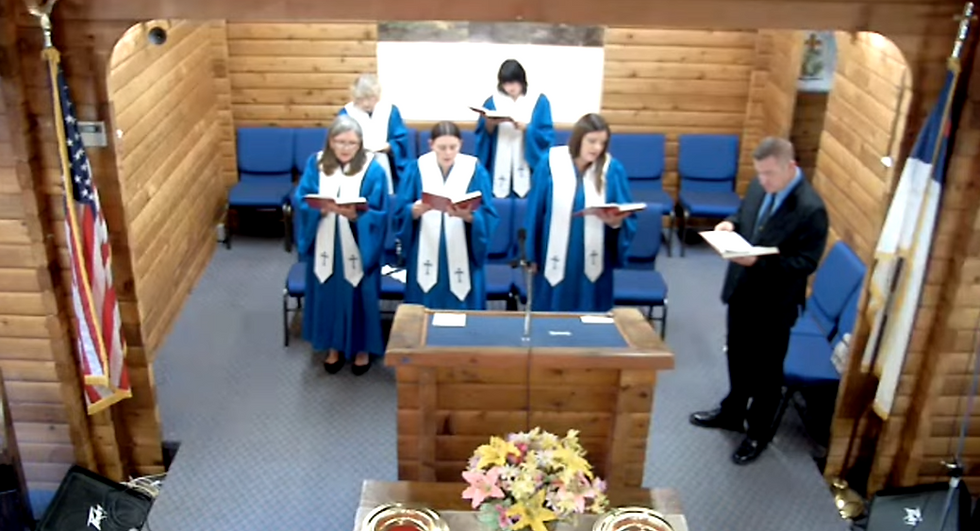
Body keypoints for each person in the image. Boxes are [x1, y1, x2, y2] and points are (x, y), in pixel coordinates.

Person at [689, 137, 829, 465]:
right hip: (742, 290)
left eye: (769, 175)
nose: (763, 181)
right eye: (760, 174)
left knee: (766, 371)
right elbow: (745, 214)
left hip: (774, 303)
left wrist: (760, 263)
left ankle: (758, 431)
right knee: (737, 354)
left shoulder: (811, 209)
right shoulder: (758, 186)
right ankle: (732, 412)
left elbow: (805, 262)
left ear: (790, 167)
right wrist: (732, 224)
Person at [294, 115, 389, 376]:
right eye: (340, 142)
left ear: (360, 144)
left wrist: (358, 216)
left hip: (359, 244)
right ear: (330, 142)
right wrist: (320, 210)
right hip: (326, 242)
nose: (346, 148)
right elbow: (302, 199)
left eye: (352, 143)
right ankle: (333, 348)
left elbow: (381, 212)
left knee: (359, 295)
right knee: (328, 294)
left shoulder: (373, 169)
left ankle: (362, 350)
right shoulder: (316, 164)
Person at [523, 113, 636, 312]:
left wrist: (616, 223)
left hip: (593, 258)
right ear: (578, 139)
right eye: (592, 141)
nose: (597, 148)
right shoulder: (550, 163)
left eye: (602, 143)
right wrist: (531, 254)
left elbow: (626, 215)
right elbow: (535, 211)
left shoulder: (611, 170)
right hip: (553, 257)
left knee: (588, 315)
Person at [394, 122, 499, 310]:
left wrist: (471, 218)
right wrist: (414, 211)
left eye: (453, 147)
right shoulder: (417, 168)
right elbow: (400, 210)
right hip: (424, 247)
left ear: (460, 144)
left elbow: (488, 213)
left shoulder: (474, 169)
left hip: (465, 251)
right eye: (442, 148)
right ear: (431, 144)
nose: (448, 153)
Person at [474, 59, 554, 199]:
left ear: (522, 80)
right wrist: (490, 125)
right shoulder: (492, 102)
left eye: (513, 82)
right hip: (498, 162)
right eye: (506, 83)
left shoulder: (539, 101)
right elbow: (483, 137)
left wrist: (528, 129)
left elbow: (546, 135)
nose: (510, 87)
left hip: (527, 163)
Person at [339, 73, 412, 195]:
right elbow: (338, 141)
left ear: (378, 96)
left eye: (371, 98)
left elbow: (401, 139)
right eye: (361, 99)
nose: (366, 104)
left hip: (385, 161)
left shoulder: (390, 111)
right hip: (355, 162)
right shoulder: (347, 113)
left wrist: (389, 147)